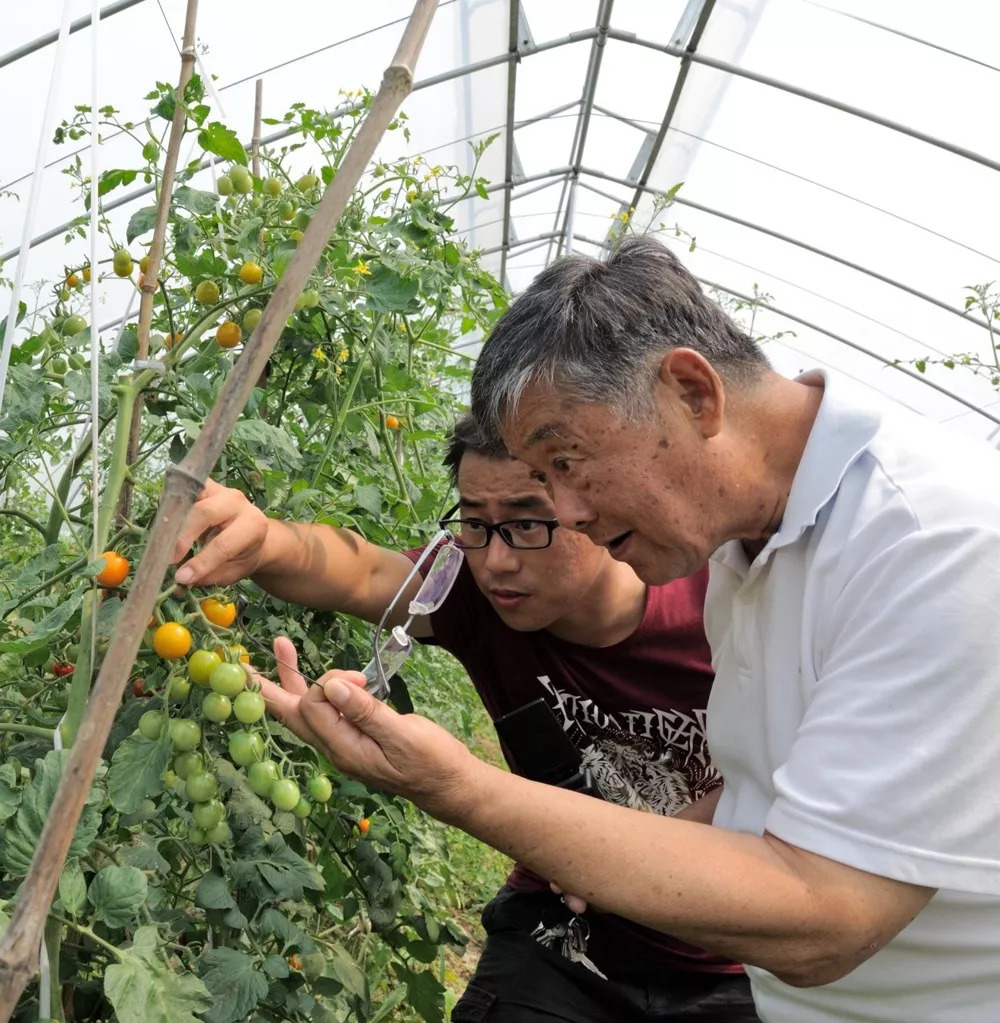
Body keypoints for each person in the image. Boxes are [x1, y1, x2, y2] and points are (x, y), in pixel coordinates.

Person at [279, 236, 1000, 1023]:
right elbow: (762, 789)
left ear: (693, 393)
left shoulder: (935, 544)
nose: (569, 511)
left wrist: (461, 788)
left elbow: (827, 914)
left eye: (567, 462)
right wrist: (607, 852)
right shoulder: (743, 544)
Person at [172, 415, 759, 1022]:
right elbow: (366, 571)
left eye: (528, 522)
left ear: (599, 504)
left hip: (733, 960)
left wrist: (628, 861)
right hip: (559, 936)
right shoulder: (476, 592)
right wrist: (266, 539)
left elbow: (792, 771)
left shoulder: (725, 606)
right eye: (476, 523)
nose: (497, 561)